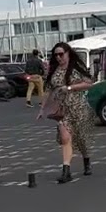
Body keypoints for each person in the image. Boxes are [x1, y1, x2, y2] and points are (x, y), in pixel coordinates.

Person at [36, 42, 97, 184]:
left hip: (79, 107)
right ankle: (66, 170)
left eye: (61, 54)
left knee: (82, 139)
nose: (58, 57)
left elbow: (89, 83)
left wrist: (69, 88)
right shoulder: (54, 71)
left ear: (68, 53)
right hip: (62, 111)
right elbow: (48, 90)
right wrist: (43, 108)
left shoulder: (76, 68)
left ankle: (86, 160)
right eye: (56, 55)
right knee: (65, 138)